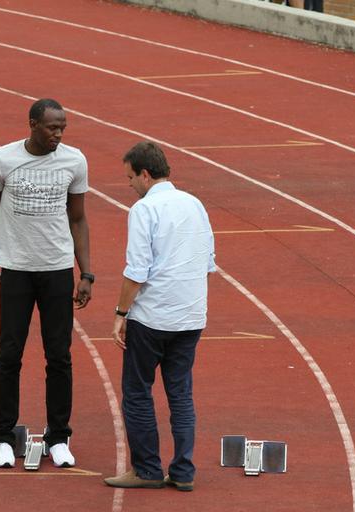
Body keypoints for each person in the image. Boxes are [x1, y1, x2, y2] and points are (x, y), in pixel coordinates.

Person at [0, 98, 93, 469]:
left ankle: (58, 436)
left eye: (63, 127)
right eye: (51, 127)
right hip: (16, 269)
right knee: (9, 353)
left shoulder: (74, 162)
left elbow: (78, 219)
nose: (58, 134)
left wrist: (86, 273)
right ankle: (1, 435)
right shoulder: (1, 161)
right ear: (32, 124)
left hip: (57, 270)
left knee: (59, 356)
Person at [104, 141, 215, 491]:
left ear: (146, 174)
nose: (130, 185)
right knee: (181, 393)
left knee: (137, 392)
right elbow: (208, 262)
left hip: (152, 317)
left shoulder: (143, 209)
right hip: (191, 315)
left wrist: (121, 312)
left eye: (131, 177)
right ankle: (183, 472)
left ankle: (147, 470)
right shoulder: (195, 204)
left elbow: (137, 269)